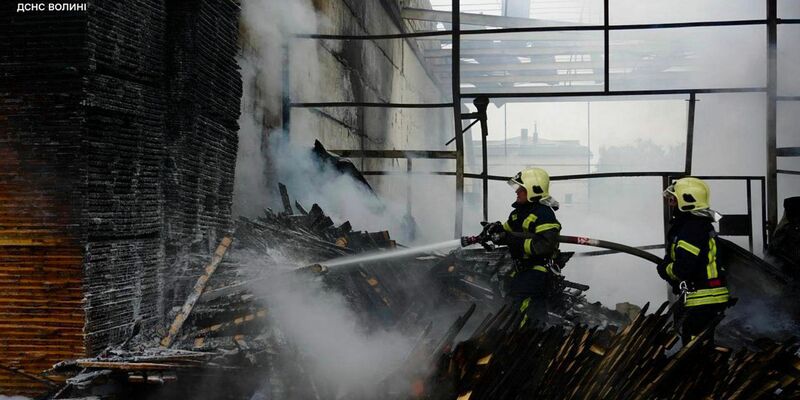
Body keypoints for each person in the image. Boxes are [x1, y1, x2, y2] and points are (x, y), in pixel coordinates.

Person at [485, 167, 561, 328]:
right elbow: (506, 233)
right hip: (523, 271)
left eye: (521, 189)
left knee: (521, 309)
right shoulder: (518, 213)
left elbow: (546, 245)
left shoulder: (543, 213)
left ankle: (522, 339)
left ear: (534, 190)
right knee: (530, 309)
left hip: (537, 272)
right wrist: (494, 230)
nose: (517, 192)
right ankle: (537, 341)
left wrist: (514, 241)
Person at [657, 177, 730, 345]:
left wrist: (664, 269)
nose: (670, 204)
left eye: (673, 199)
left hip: (703, 299)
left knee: (695, 350)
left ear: (686, 201)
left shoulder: (692, 228)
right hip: (705, 298)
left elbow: (683, 269)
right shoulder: (694, 226)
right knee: (697, 346)